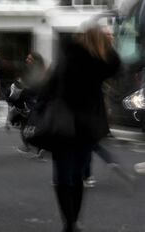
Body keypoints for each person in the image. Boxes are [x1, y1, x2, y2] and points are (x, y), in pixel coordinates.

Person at [41, 22, 121, 232]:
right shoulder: (101, 64)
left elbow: (50, 87)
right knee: (77, 175)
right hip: (88, 126)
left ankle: (68, 221)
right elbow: (116, 65)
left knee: (62, 176)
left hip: (63, 123)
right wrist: (106, 44)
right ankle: (74, 221)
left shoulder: (69, 57)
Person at [8, 52, 47, 160]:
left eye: (29, 59)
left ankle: (29, 146)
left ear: (35, 61)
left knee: (26, 125)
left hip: (31, 102)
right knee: (33, 126)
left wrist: (22, 86)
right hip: (34, 102)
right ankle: (37, 148)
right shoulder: (41, 72)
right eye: (27, 58)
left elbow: (30, 87)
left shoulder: (35, 73)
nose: (27, 60)